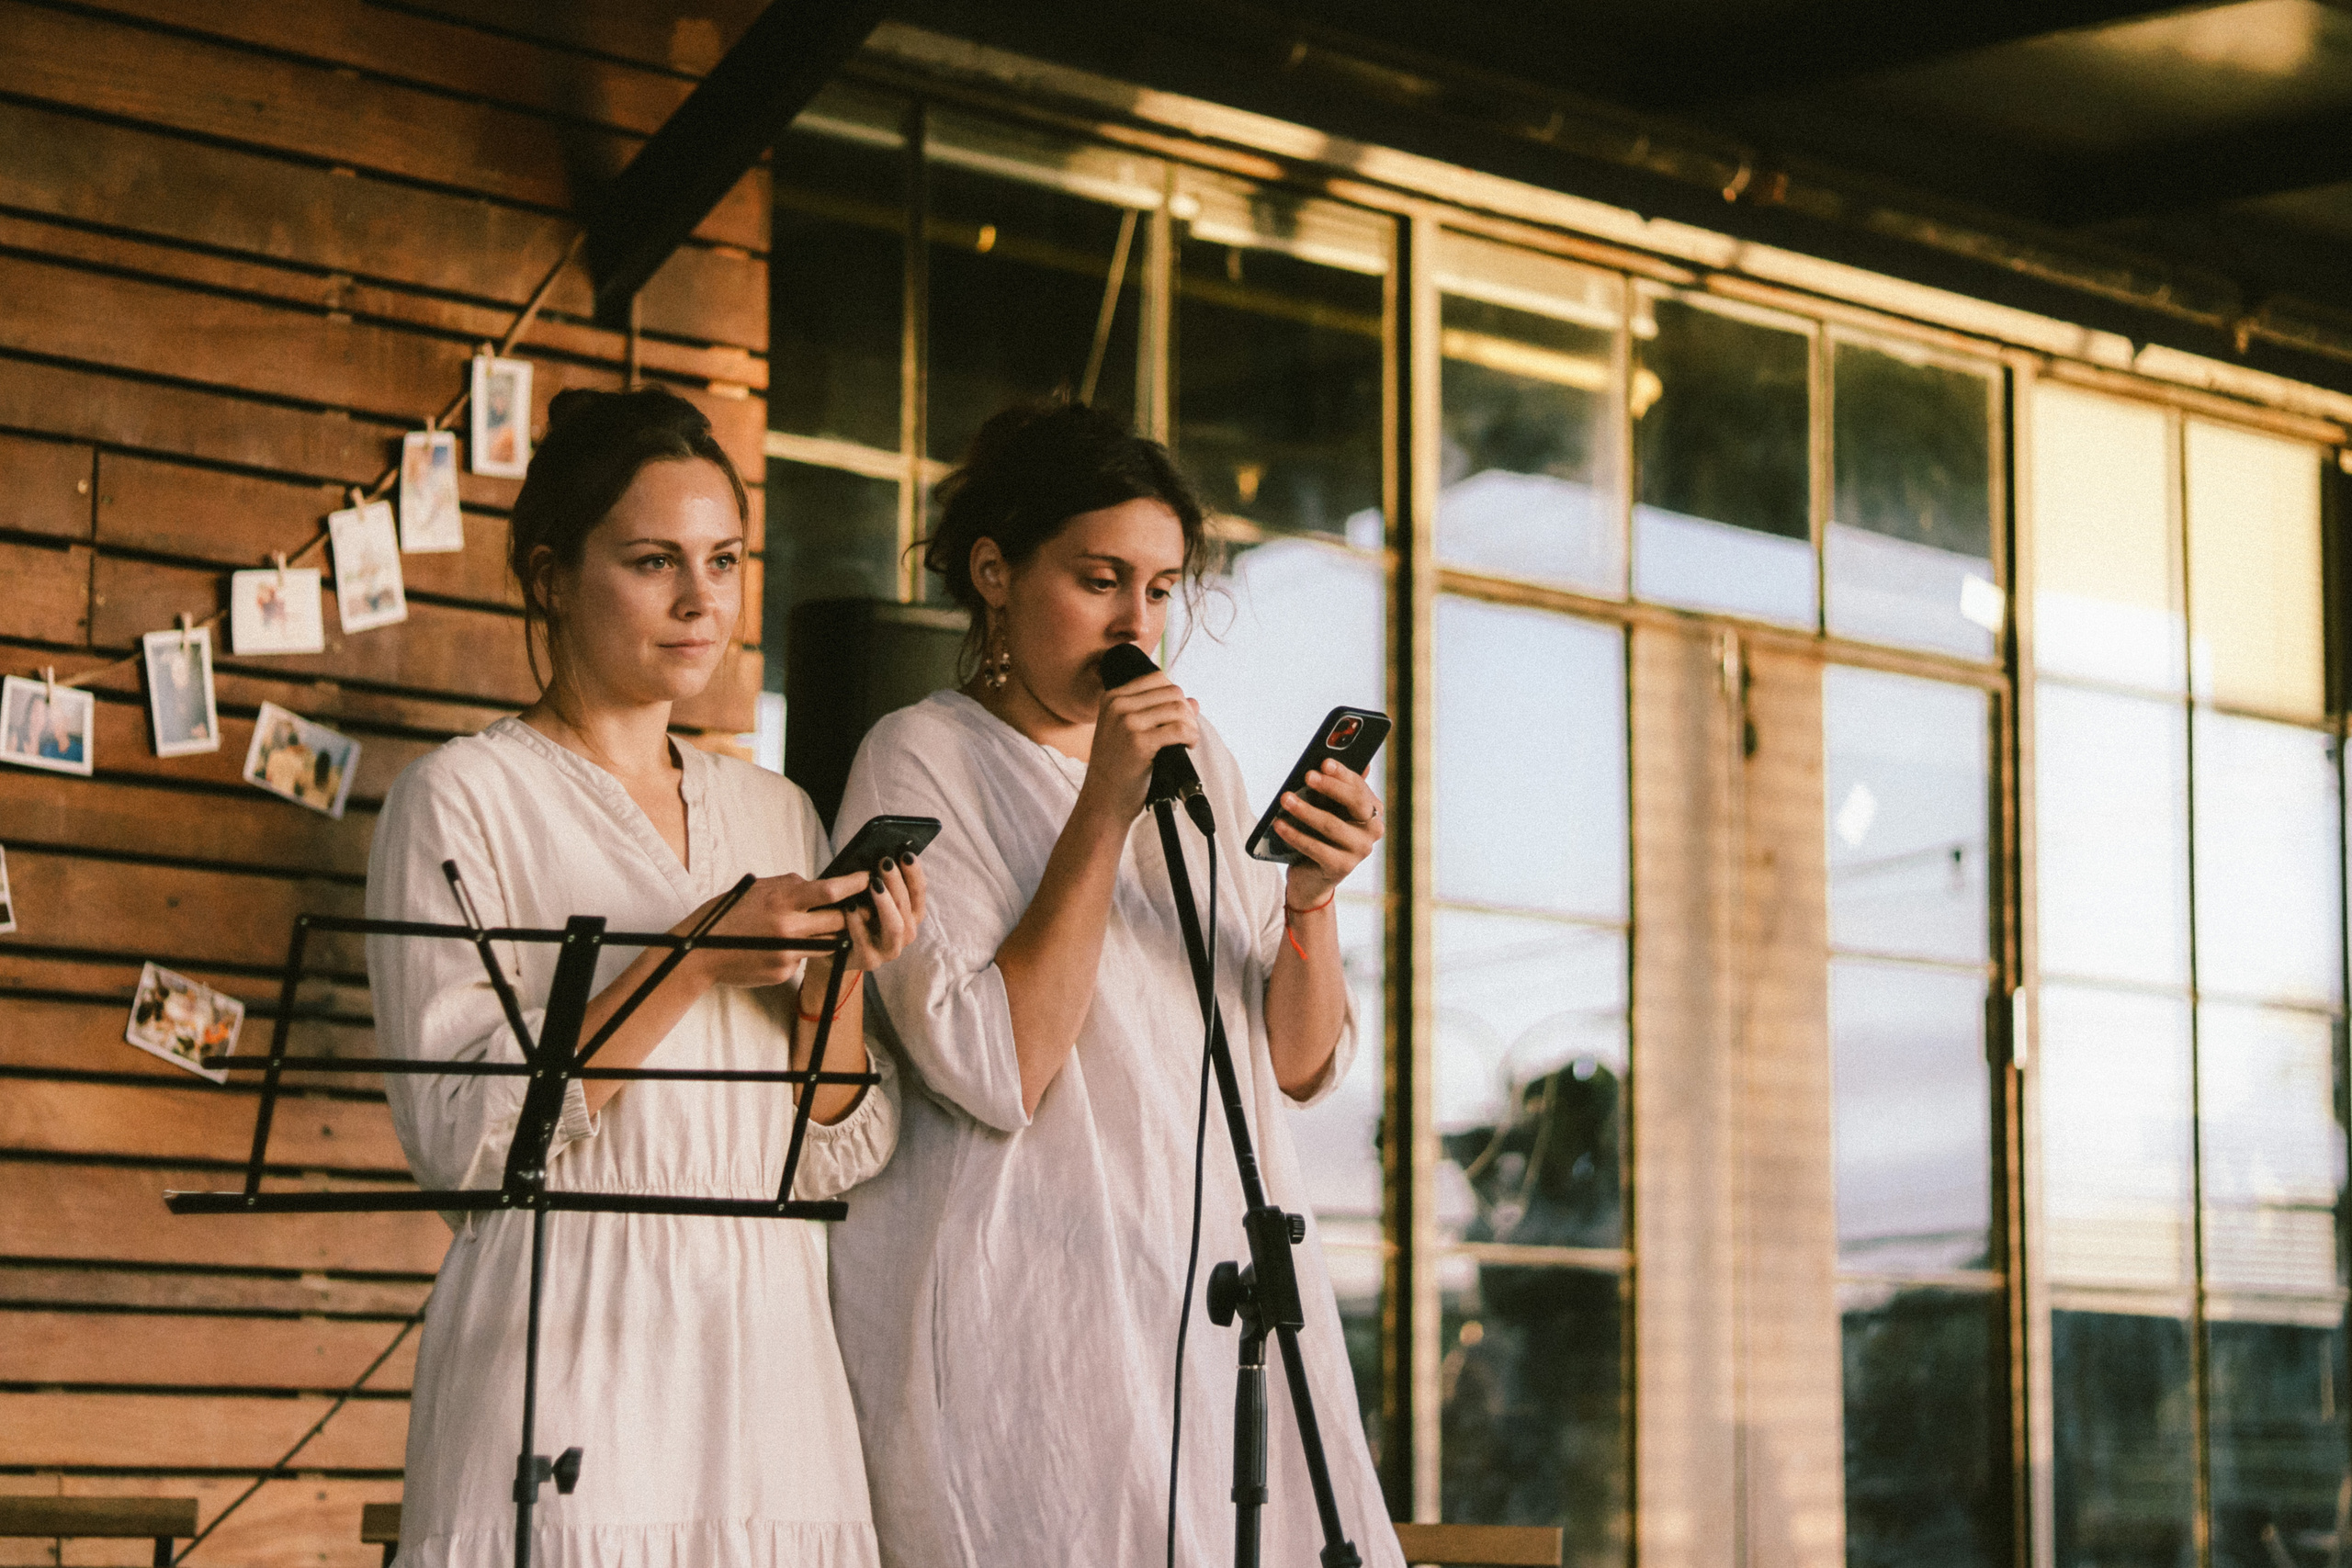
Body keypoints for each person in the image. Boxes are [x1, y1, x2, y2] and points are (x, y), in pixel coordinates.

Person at [830, 402, 1403, 1567]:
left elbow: (1292, 1066)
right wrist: (1103, 799)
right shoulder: (918, 754)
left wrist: (1310, 898)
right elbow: (999, 1067)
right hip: (1030, 1302)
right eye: (1099, 580)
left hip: (1206, 1288)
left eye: (1161, 588)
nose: (1136, 622)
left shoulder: (1203, 759)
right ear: (994, 571)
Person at [366, 388, 923, 1568]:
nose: (700, 600)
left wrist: (835, 988)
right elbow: (464, 1139)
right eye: (653, 560)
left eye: (723, 561)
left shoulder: (777, 808)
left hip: (767, 1351)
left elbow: (829, 1152)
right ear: (552, 577)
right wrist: (693, 956)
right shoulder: (461, 798)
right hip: (568, 1335)